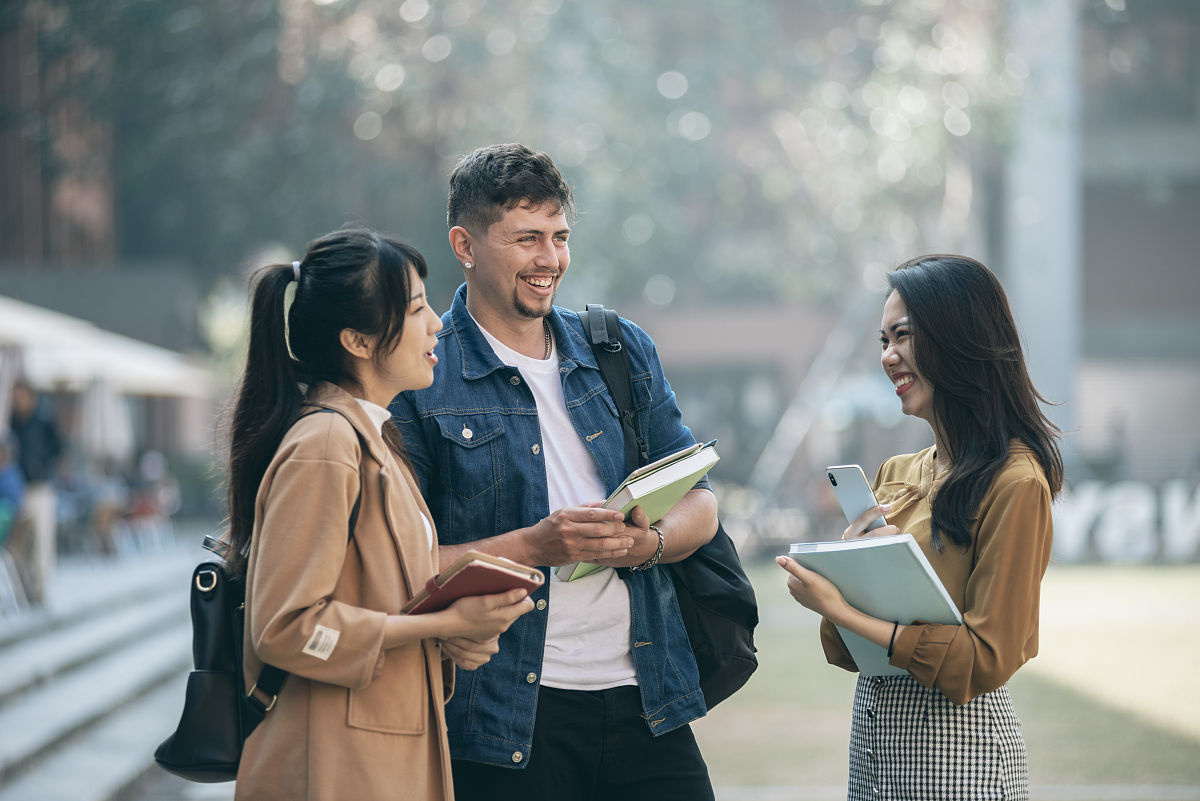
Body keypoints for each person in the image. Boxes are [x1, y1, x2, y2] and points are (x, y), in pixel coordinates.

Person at [390, 143, 720, 801]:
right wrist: (538, 546)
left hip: (644, 699)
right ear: (466, 243)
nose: (551, 259)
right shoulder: (422, 374)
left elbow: (702, 504)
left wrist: (644, 542)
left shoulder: (617, 349)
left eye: (560, 237)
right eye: (528, 238)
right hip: (500, 716)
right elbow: (402, 560)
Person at [226, 226, 534, 801]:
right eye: (416, 308)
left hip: (384, 758)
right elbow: (285, 630)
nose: (437, 322)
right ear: (359, 341)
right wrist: (442, 625)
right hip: (335, 770)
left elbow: (379, 605)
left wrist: (452, 638)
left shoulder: (375, 439)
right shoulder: (327, 445)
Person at [776, 254, 1063, 800]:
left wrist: (838, 605)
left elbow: (986, 660)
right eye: (882, 340)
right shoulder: (897, 474)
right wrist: (850, 577)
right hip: (876, 741)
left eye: (903, 336)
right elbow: (843, 653)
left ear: (959, 335)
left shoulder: (1016, 483)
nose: (888, 356)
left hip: (960, 751)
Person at [8, 379, 62, 605]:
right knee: (19, 544)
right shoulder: (12, 422)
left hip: (41, 487)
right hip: (18, 488)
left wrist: (44, 465)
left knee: (42, 541)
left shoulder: (44, 419)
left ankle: (40, 590)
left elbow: (58, 447)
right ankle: (26, 589)